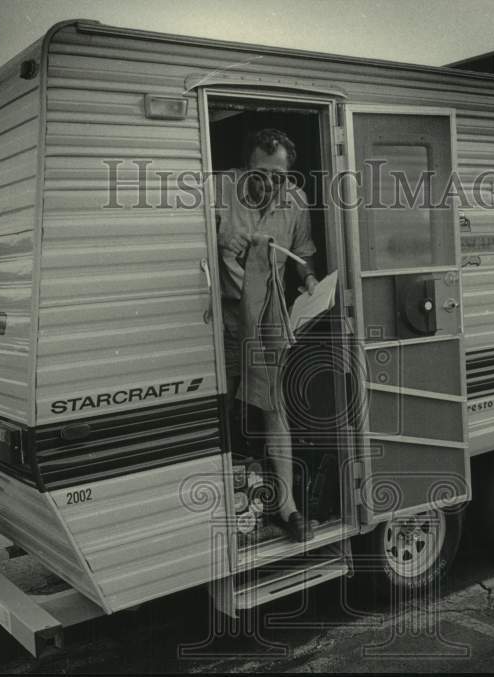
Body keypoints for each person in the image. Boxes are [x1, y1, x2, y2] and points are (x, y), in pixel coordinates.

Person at [216, 128, 318, 542]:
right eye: (261, 173)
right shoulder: (220, 189)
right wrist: (219, 242)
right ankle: (229, 503)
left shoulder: (297, 201)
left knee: (274, 406)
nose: (271, 183)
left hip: (270, 314)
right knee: (222, 405)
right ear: (245, 167)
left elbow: (303, 255)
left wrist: (309, 281)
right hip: (226, 315)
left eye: (280, 175)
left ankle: (288, 506)